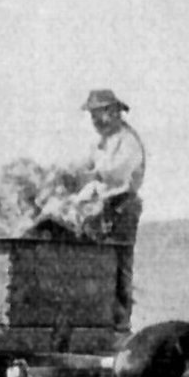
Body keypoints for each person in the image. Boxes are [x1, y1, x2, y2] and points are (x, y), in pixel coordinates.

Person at [55, 89, 146, 331]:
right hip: (101, 208)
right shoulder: (102, 142)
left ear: (115, 112)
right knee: (93, 263)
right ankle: (92, 320)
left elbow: (114, 173)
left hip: (120, 209)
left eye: (99, 114)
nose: (95, 120)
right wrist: (67, 172)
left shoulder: (128, 142)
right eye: (92, 115)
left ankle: (118, 324)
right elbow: (88, 163)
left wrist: (87, 176)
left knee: (117, 267)